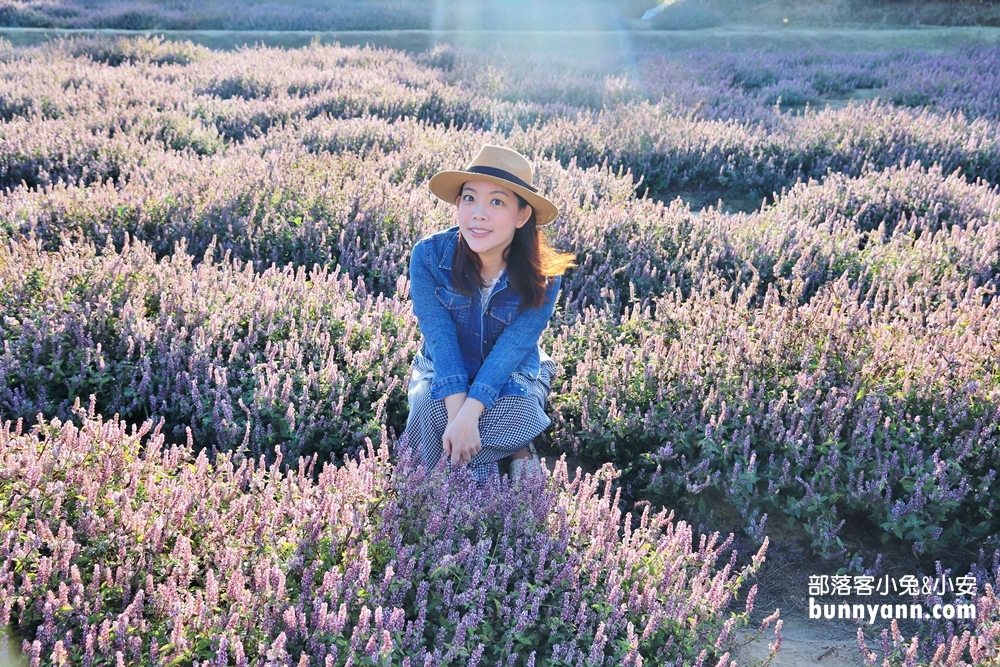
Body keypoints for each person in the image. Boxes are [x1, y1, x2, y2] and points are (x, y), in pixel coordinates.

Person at [403, 144, 575, 481]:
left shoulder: (544, 274)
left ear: (521, 215)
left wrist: (472, 412)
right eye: (469, 198)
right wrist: (460, 416)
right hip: (445, 367)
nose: (478, 214)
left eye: (497, 201)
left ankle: (470, 461)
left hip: (509, 371)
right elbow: (440, 338)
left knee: (522, 408)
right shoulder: (427, 256)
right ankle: (512, 451)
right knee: (427, 405)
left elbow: (512, 348)